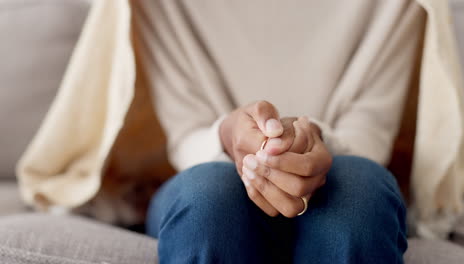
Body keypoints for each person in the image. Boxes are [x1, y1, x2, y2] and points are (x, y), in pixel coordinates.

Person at [133, 0, 425, 263]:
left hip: (343, 161)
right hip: (207, 171)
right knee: (204, 201)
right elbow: (185, 136)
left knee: (359, 197)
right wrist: (229, 135)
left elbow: (369, 134)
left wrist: (309, 139)